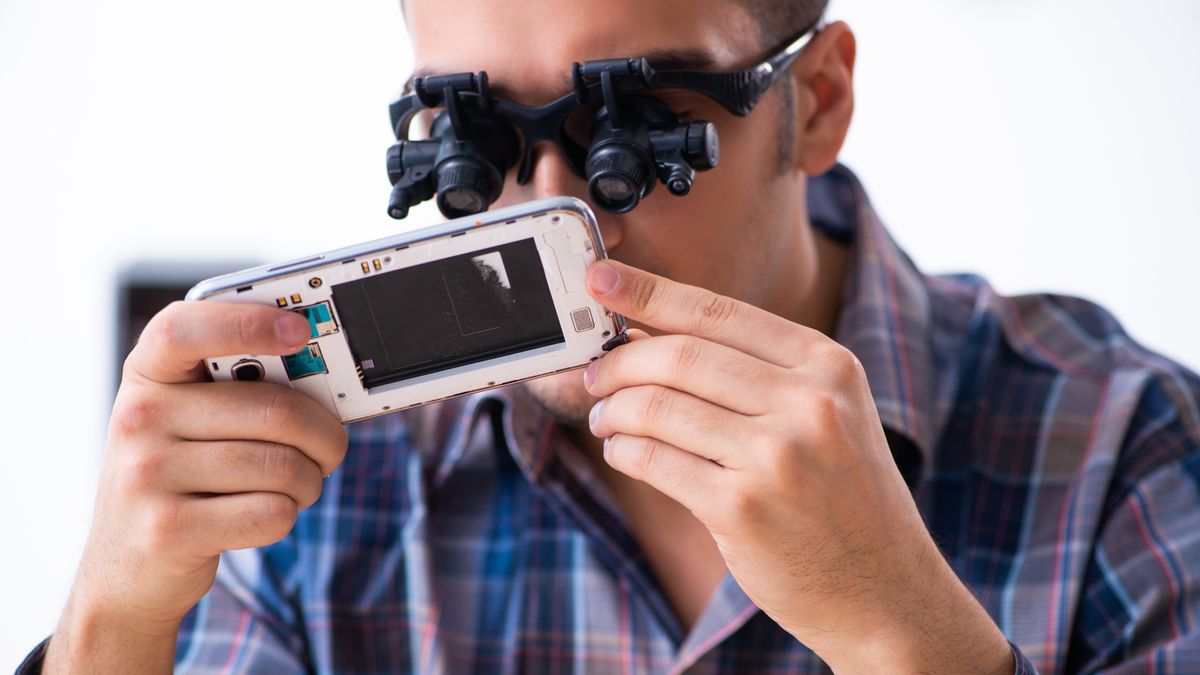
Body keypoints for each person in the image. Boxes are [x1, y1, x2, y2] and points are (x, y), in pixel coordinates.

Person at [24, 0, 1200, 672]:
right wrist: (113, 623)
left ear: (820, 101)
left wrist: (904, 630)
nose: (549, 211)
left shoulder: (1122, 449)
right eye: (469, 135)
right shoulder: (312, 481)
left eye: (631, 130)